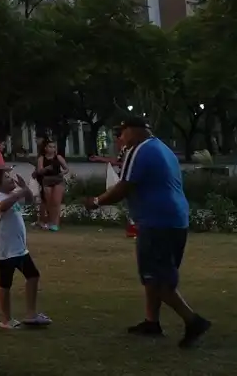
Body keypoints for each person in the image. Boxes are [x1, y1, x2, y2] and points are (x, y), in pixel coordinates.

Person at [84, 117, 210, 347]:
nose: (120, 139)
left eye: (122, 133)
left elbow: (123, 187)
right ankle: (152, 322)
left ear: (134, 131)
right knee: (153, 275)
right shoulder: (162, 148)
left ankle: (193, 321)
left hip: (157, 221)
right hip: (175, 219)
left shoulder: (139, 150)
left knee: (159, 279)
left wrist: (96, 201)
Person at [0, 167, 50, 330]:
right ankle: (6, 320)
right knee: (5, 284)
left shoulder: (12, 194)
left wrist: (25, 188)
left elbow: (29, 200)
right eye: (6, 177)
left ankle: (31, 314)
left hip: (19, 248)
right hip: (4, 251)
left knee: (33, 276)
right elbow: (2, 207)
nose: (11, 179)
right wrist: (19, 193)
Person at [33, 139, 68, 231]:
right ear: (45, 148)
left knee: (56, 202)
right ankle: (50, 221)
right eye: (50, 147)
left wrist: (62, 173)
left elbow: (66, 168)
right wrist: (46, 168)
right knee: (49, 203)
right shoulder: (41, 158)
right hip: (47, 180)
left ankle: (55, 224)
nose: (52, 149)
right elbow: (39, 171)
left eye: (54, 147)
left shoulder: (58, 157)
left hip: (58, 179)